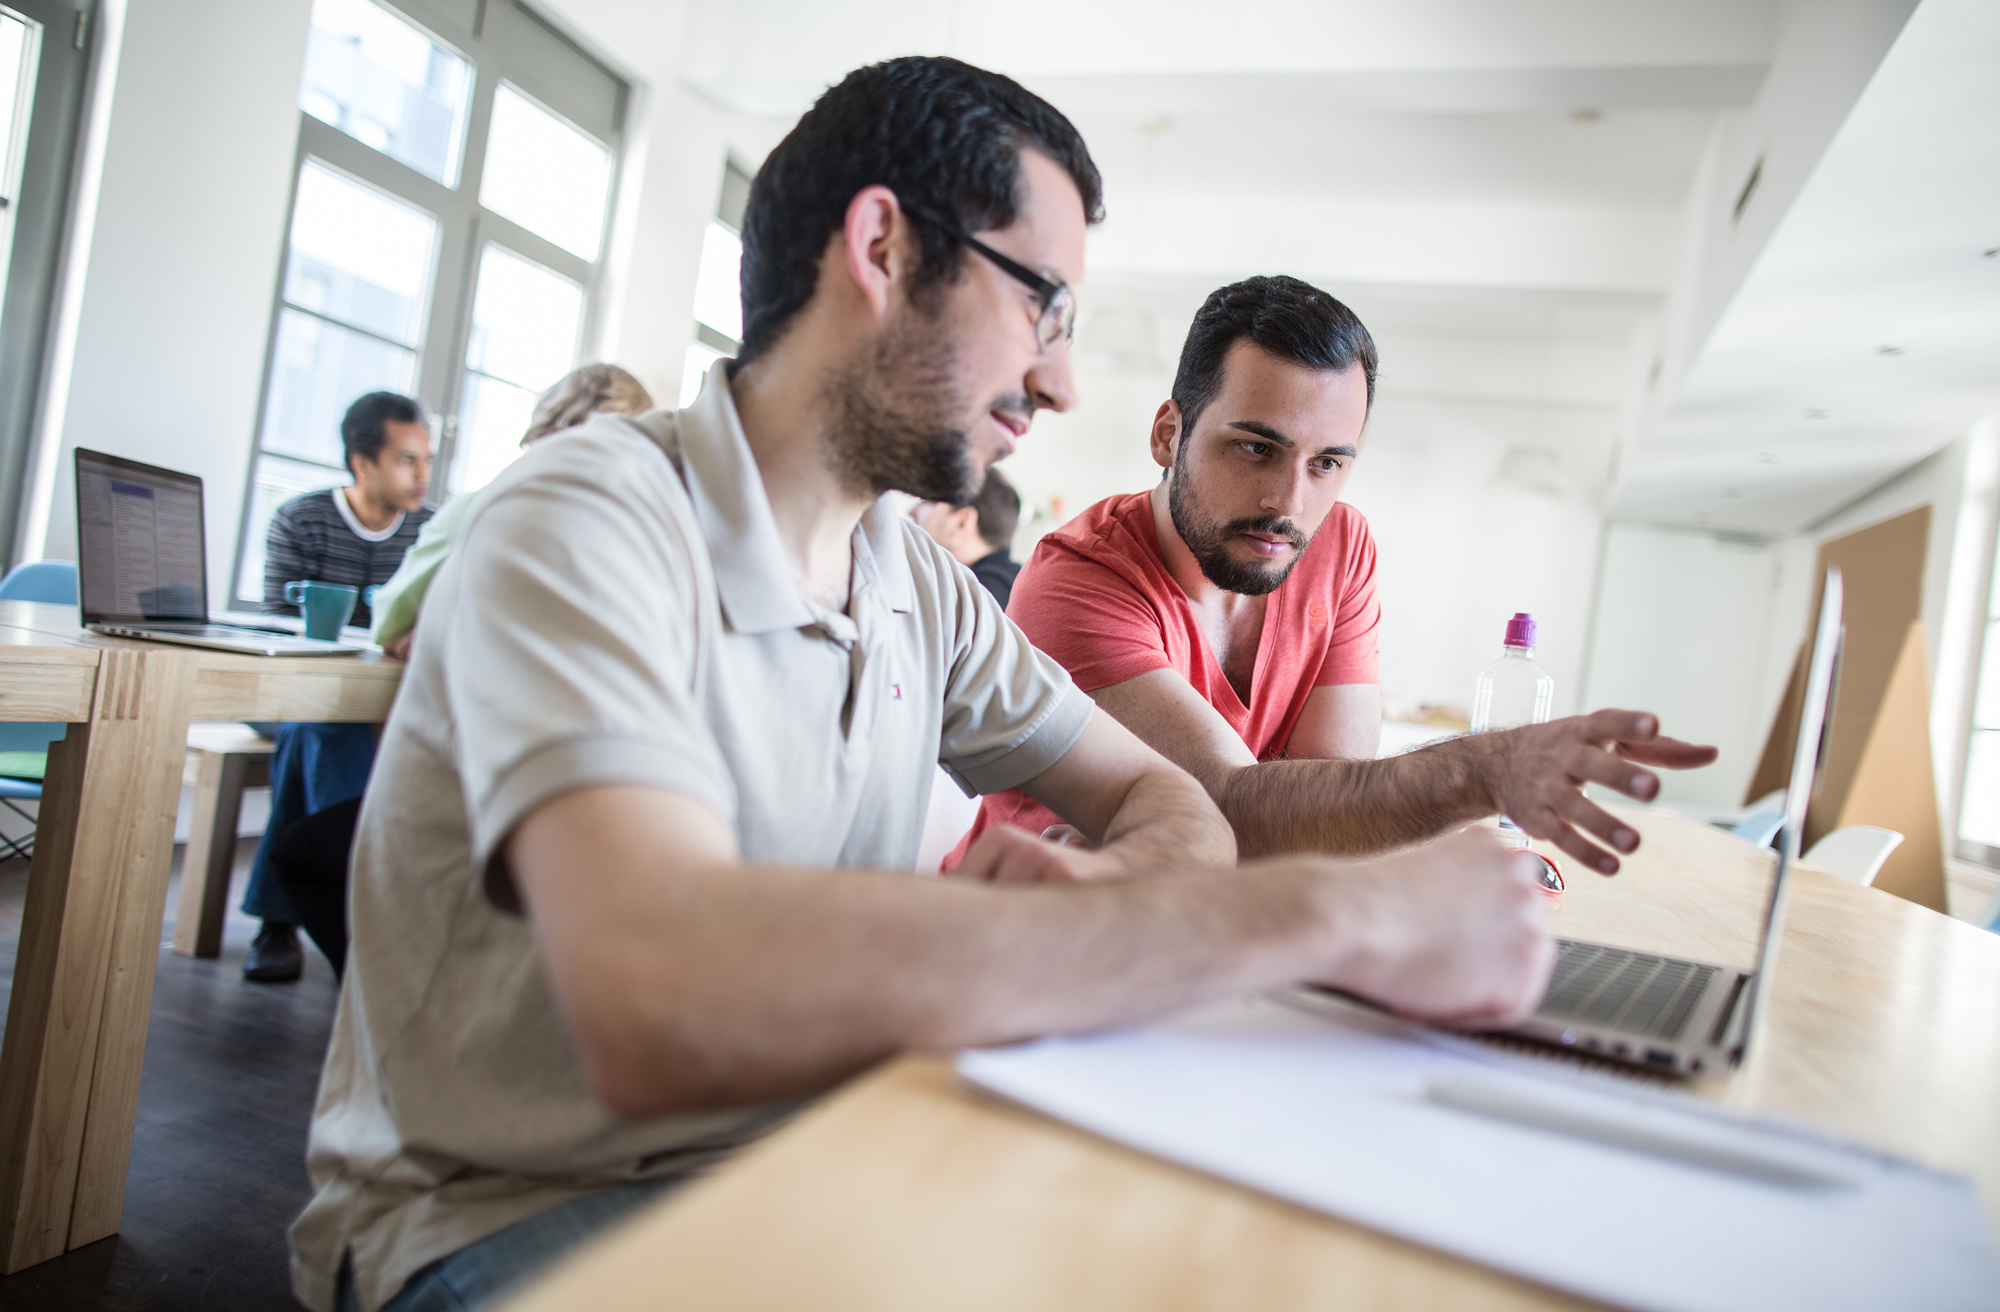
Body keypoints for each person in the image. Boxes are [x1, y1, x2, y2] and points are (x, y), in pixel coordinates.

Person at [291, 58, 1557, 1312]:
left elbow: (1183, 812)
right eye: (1041, 307)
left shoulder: (916, 581)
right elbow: (655, 996)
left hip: (827, 1144)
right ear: (883, 250)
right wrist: (1342, 917)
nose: (1060, 383)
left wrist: (1108, 885)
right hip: (512, 1208)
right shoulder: (585, 519)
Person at [948, 276, 1716, 874]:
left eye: (1326, 464)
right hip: (1029, 938)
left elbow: (1334, 809)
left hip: (1211, 933)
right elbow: (1230, 810)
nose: (1289, 502)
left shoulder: (1340, 545)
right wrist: (1486, 769)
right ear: (1168, 433)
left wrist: (1336, 813)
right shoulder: (1077, 579)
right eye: (1255, 448)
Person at [271, 365, 657, 980]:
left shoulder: (486, 505)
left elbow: (389, 619)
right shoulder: (653, 535)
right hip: (613, 798)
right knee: (317, 739)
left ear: (541, 435)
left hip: (494, 794)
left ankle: (375, 984)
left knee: (310, 845)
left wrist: (433, 622)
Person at [241, 391, 435, 982]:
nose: (422, 474)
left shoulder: (431, 532)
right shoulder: (302, 520)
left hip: (380, 706)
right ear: (362, 463)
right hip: (286, 699)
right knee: (319, 722)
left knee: (327, 728)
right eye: (407, 459)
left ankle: (280, 916)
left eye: (427, 458)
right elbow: (279, 626)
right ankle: (353, 889)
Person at [370, 364, 654, 660]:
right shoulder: (645, 541)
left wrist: (440, 626)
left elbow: (389, 625)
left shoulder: (480, 509)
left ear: (542, 432)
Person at [911, 466, 1023, 607]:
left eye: (929, 502)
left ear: (962, 523)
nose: (912, 511)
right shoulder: (1012, 586)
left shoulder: (974, 599)